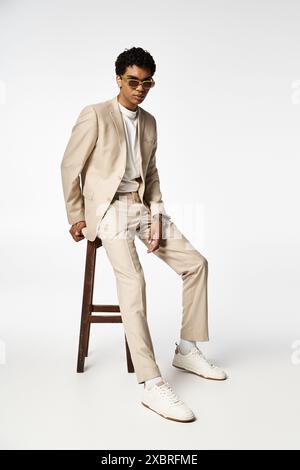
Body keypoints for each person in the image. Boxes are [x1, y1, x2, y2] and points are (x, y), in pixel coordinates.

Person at [60, 46, 227, 423]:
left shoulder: (149, 121)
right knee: (133, 281)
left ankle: (186, 348)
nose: (139, 88)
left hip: (141, 206)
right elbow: (70, 166)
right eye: (133, 81)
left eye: (146, 82)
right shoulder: (96, 115)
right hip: (107, 211)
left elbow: (151, 175)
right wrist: (75, 216)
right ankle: (151, 383)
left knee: (196, 264)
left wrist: (155, 216)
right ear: (119, 79)